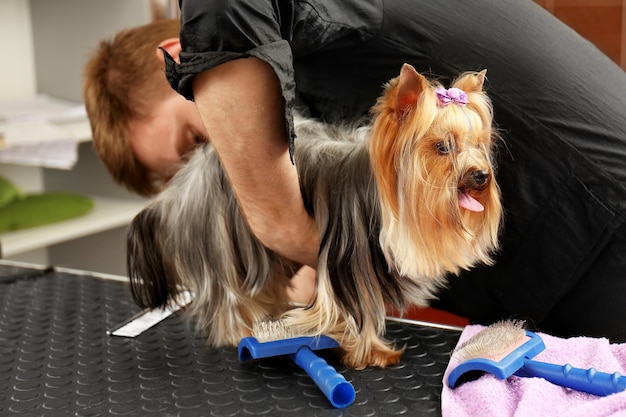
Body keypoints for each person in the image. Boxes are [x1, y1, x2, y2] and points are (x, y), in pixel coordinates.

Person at [84, 0, 626, 342]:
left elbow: (223, 8)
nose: (213, 167)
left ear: (182, 56)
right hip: (547, 272)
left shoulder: (271, 18)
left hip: (602, 226)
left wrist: (281, 225)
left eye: (199, 141)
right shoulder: (304, 68)